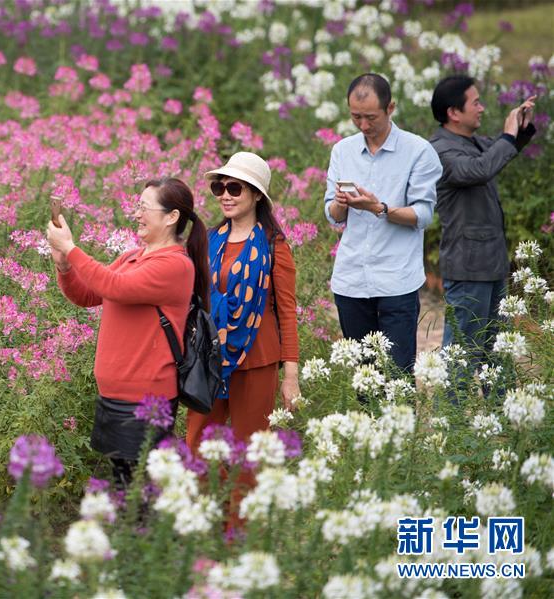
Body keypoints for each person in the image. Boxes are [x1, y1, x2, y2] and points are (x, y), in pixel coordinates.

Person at [46, 178, 209, 488]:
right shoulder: (133, 257)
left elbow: (114, 287)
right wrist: (64, 266)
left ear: (171, 217)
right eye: (137, 206)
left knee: (138, 491)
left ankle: (158, 535)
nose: (137, 214)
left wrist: (71, 247)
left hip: (146, 397)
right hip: (116, 393)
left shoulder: (175, 265)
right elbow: (88, 295)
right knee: (125, 485)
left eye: (144, 207)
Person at [185, 152, 300, 524]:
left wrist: (291, 375)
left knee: (249, 451)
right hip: (210, 360)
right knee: (199, 443)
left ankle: (239, 533)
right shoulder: (209, 239)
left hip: (256, 359)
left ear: (256, 196)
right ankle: (207, 521)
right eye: (220, 187)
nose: (225, 195)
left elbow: (286, 311)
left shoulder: (274, 245)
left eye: (234, 187)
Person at [324, 73, 443, 374]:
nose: (364, 126)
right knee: (364, 375)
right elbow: (332, 215)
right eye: (356, 117)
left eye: (371, 117)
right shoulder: (342, 150)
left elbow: (424, 215)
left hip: (396, 280)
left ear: (391, 108)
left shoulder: (418, 151)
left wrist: (378, 208)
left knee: (397, 375)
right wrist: (341, 202)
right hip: (351, 279)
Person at [428, 76, 536, 388]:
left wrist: (522, 126)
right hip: (467, 266)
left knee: (497, 352)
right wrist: (506, 136)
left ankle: (502, 420)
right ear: (453, 112)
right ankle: (452, 420)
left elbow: (502, 151)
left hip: (491, 263)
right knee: (461, 353)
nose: (482, 108)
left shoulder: (472, 142)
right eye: (475, 102)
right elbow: (479, 169)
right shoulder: (441, 150)